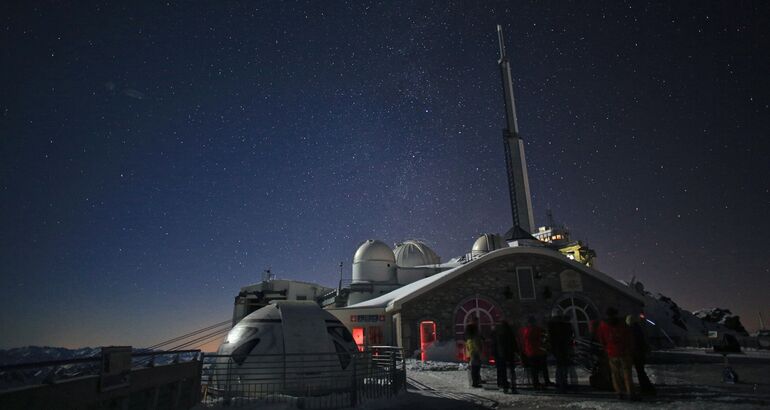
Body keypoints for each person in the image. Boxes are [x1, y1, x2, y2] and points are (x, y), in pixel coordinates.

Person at [597, 307, 636, 400]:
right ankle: (630, 393)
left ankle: (619, 392)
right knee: (627, 373)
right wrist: (631, 349)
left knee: (615, 374)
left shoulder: (602, 325)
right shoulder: (622, 324)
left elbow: (601, 339)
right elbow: (629, 338)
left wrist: (606, 348)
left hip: (611, 353)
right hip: (624, 352)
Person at [627, 315, 655, 395]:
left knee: (639, 371)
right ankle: (646, 387)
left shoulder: (632, 330)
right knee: (640, 371)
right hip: (639, 353)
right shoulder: (638, 328)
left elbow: (636, 342)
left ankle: (646, 388)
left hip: (636, 353)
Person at [548, 312, 574, 392]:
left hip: (558, 348)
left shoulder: (552, 326)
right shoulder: (566, 326)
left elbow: (551, 339)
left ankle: (560, 382)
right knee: (563, 366)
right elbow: (570, 337)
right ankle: (563, 382)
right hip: (563, 348)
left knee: (560, 366)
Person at [519, 316, 548, 390]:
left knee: (533, 369)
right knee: (541, 367)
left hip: (529, 352)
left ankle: (536, 382)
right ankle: (543, 381)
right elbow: (543, 338)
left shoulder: (524, 330)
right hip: (538, 351)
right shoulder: (538, 329)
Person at [493, 319, 519, 393]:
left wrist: (496, 353)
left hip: (502, 354)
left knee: (503, 371)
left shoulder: (498, 333)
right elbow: (514, 342)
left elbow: (496, 344)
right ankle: (513, 386)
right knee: (511, 370)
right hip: (510, 353)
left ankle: (505, 387)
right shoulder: (510, 332)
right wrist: (516, 351)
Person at [465, 320, 483, 388]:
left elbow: (468, 346)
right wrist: (479, 351)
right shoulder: (474, 337)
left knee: (474, 368)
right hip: (475, 353)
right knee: (476, 368)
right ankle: (475, 382)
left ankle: (475, 381)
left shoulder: (468, 337)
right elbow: (477, 345)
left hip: (471, 353)